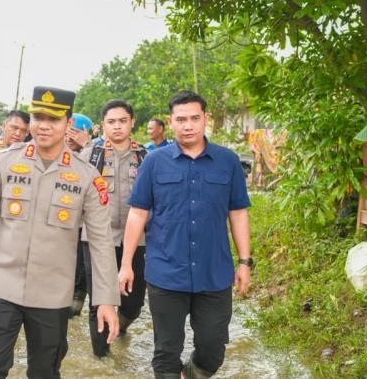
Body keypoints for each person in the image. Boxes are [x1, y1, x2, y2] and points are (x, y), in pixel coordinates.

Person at [0, 86, 120, 378]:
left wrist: (106, 299)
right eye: (38, 117)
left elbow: (101, 242)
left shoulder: (86, 176)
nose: (44, 125)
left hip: (52, 295)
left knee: (45, 372)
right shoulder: (3, 162)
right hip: (0, 286)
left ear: (68, 123)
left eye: (53, 119)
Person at [119, 91, 252, 379]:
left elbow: (238, 212)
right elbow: (138, 213)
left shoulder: (227, 161)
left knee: (213, 350)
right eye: (181, 119)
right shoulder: (154, 162)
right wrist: (126, 263)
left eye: (194, 118)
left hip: (214, 272)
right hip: (166, 271)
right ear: (171, 122)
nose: (188, 125)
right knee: (166, 352)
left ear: (206, 119)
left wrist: (244, 262)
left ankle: (190, 374)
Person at [80, 99, 148, 357]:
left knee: (134, 302)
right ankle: (102, 359)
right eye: (111, 122)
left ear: (132, 122)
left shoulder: (146, 157)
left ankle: (121, 325)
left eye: (122, 121)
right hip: (96, 238)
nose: (117, 126)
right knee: (98, 300)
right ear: (103, 125)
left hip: (138, 239)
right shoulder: (89, 156)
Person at [65, 112, 93, 317]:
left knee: (80, 270)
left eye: (75, 133)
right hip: (59, 221)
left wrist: (87, 146)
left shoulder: (95, 152)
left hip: (82, 224)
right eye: (68, 132)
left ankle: (74, 309)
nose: (70, 137)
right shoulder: (53, 151)